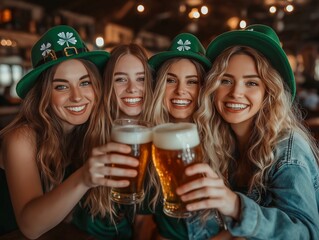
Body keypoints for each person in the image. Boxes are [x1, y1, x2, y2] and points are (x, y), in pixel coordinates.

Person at [174, 24, 319, 239]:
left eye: (251, 82)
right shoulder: (215, 138)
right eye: (226, 80)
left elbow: (306, 233)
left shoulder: (288, 150)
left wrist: (235, 205)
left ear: (268, 92)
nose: (236, 93)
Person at [0, 25, 137, 239]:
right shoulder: (21, 137)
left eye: (85, 82)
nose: (77, 96)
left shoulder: (88, 132)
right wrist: (84, 177)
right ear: (43, 94)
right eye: (61, 87)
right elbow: (30, 227)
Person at [72, 43, 155, 240]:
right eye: (120, 79)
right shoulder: (85, 129)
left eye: (141, 79)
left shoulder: (158, 139)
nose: (132, 88)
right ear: (108, 84)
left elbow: (143, 221)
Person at [142, 33, 221, 240]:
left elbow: (244, 223)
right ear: (159, 86)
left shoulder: (224, 139)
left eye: (192, 82)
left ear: (204, 88)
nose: (180, 91)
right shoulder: (146, 142)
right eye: (171, 80)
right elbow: (140, 217)